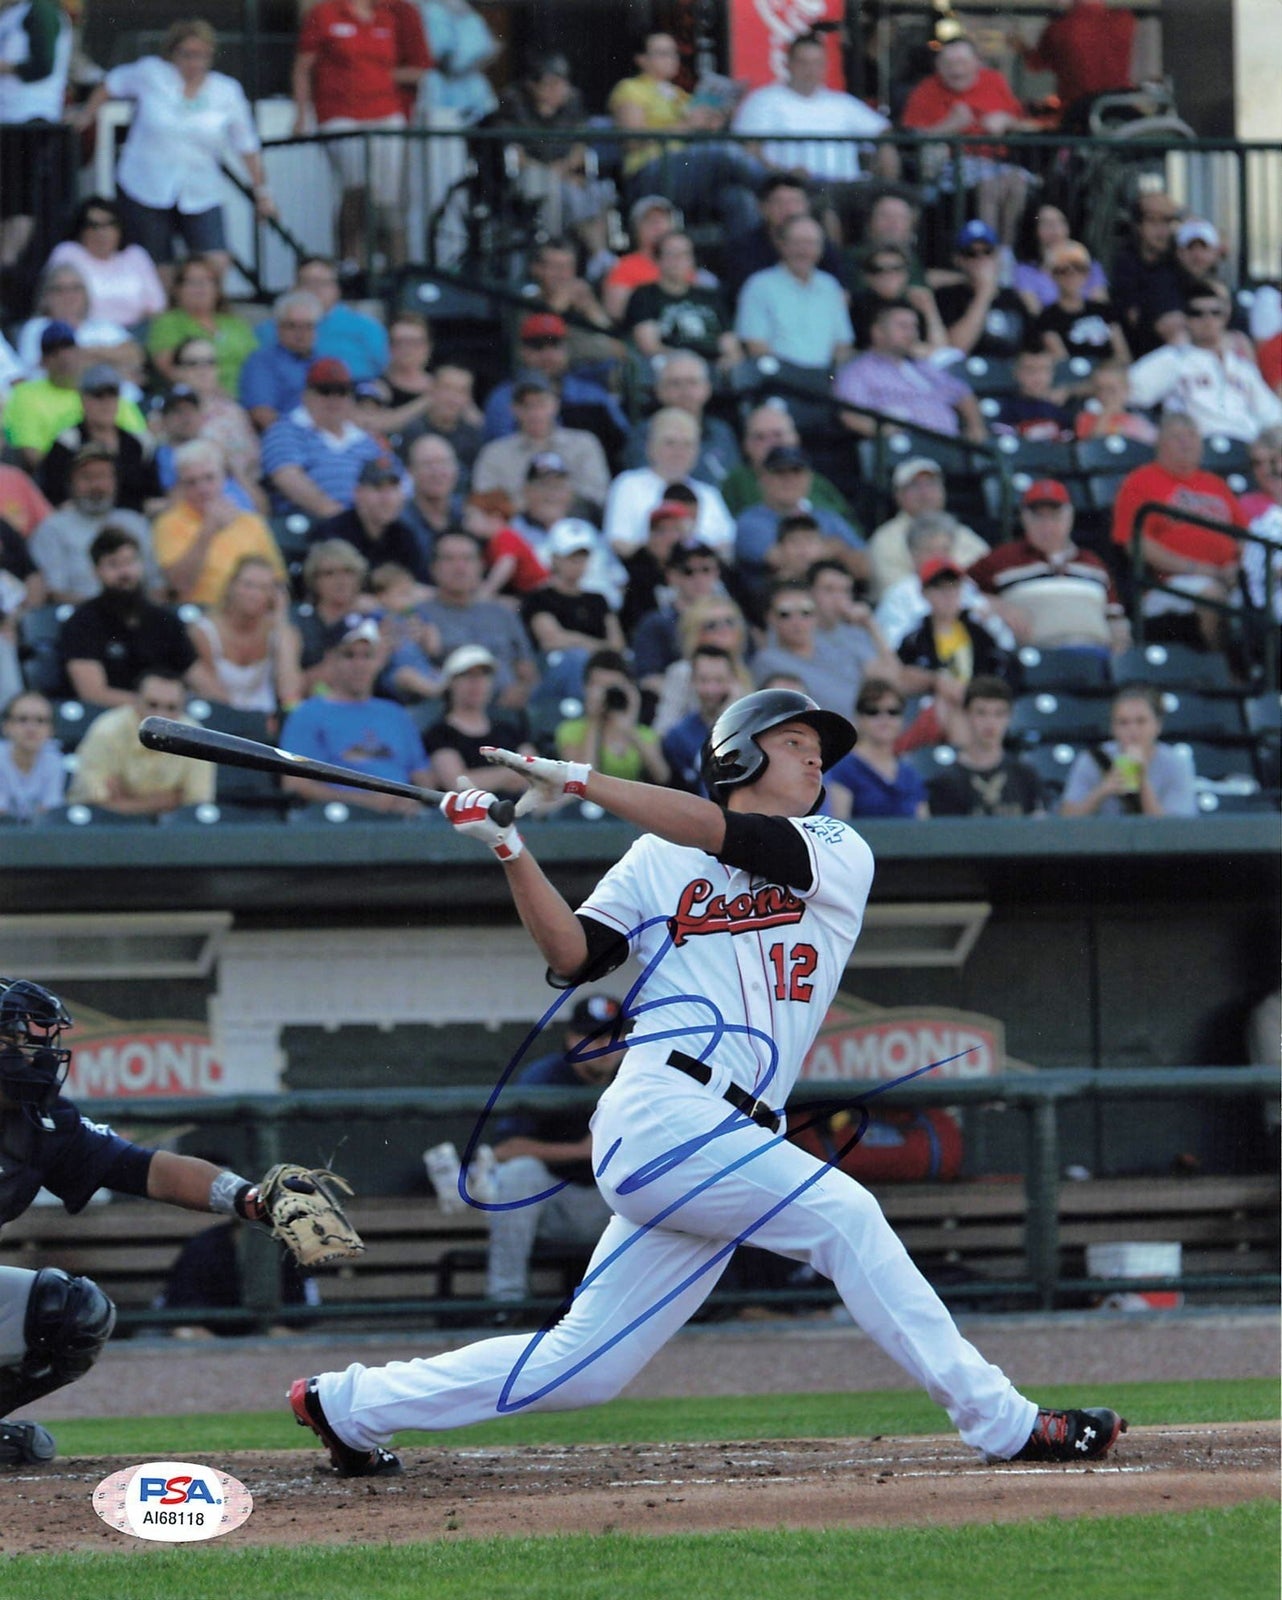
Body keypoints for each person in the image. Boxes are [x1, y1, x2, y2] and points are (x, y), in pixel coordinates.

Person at [284, 683, 1128, 1476]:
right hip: (666, 1110)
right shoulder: (656, 858)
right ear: (738, 756)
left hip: (732, 1134)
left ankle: (351, 1406)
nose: (815, 757)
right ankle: (1004, 1422)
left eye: (818, 747)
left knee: (584, 1366)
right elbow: (574, 955)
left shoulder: (836, 847)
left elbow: (731, 837)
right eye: (792, 742)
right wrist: (509, 848)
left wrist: (579, 780)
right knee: (846, 1216)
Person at [0, 975, 333, 1465]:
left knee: (72, 1312)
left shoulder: (41, 1124)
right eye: (9, 1040)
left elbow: (144, 1168)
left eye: (24, 1039)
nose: (30, 1055)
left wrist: (250, 1199)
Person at [72, 22, 274, 282]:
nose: (194, 62)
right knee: (157, 268)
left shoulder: (227, 90)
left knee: (214, 261)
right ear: (172, 53)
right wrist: (87, 114)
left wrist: (262, 193)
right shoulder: (150, 73)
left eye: (201, 54)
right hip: (145, 185)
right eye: (186, 54)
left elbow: (246, 144)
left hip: (200, 188)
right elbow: (111, 84)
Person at [485, 995, 627, 1310]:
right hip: (556, 1204)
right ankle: (505, 1302)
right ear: (572, 1039)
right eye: (593, 1036)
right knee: (519, 1173)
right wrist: (580, 1150)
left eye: (613, 1036)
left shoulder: (639, 1077)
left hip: (616, 1207)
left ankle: (666, 1305)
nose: (605, 1046)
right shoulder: (545, 1076)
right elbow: (505, 1150)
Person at [291, 0, 431, 274]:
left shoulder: (386, 16)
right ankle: (350, 261)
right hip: (340, 111)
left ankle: (394, 268)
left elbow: (413, 66)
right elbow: (303, 67)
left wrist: (379, 78)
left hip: (385, 110)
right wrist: (301, 115)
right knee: (357, 187)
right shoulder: (325, 13)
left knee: (387, 197)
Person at [731, 31, 897, 244]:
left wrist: (883, 164)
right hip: (797, 185)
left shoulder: (842, 102)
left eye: (817, 63)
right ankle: (833, 259)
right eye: (803, 63)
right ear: (788, 64)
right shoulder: (763, 100)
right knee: (825, 203)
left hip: (849, 185)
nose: (811, 70)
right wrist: (783, 173)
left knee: (897, 201)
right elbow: (749, 149)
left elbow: (882, 131)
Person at [607, 30, 765, 240]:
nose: (672, 59)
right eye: (662, 53)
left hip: (689, 172)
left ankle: (748, 257)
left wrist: (712, 123)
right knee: (727, 153)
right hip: (651, 170)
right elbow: (632, 139)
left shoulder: (680, 95)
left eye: (674, 53)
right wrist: (688, 124)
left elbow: (695, 134)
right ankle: (776, 187)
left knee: (738, 198)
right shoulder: (631, 89)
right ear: (641, 59)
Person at [1110, 413, 1244, 650]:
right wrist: (1197, 568)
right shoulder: (1140, 481)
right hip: (1168, 583)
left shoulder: (1215, 484)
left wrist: (1238, 567)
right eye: (1177, 437)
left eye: (1192, 436)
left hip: (1227, 577)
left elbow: (1243, 537)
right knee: (1212, 595)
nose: (1186, 443)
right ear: (1160, 444)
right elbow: (1135, 543)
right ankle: (1225, 668)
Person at [277, 617, 431, 814]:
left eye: (367, 655)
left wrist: (414, 800)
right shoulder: (308, 713)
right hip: (338, 819)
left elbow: (423, 777)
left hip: (402, 818)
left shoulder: (396, 713)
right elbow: (295, 784)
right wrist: (366, 802)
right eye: (349, 655)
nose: (360, 664)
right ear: (331, 660)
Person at [898, 36, 1033, 246]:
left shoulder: (994, 81)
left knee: (1016, 183)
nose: (956, 69)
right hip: (949, 166)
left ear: (977, 62)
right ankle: (987, 250)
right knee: (991, 186)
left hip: (997, 163)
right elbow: (910, 138)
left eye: (962, 62)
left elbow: (1025, 124)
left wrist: (1007, 121)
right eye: (948, 63)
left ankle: (1005, 251)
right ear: (937, 66)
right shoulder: (925, 89)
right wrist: (949, 125)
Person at [969, 478, 1129, 654]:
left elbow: (1115, 617)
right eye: (1038, 517)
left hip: (1096, 654)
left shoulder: (1093, 563)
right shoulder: (1002, 559)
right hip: (1037, 656)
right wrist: (996, 605)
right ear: (1024, 518)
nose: (1047, 526)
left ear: (1070, 518)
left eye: (1055, 516)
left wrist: (1120, 644)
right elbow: (957, 586)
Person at [495, 54, 618, 271]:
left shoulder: (573, 102)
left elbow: (581, 145)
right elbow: (514, 153)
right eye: (550, 84)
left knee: (597, 191)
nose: (558, 90)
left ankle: (598, 258)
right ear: (533, 86)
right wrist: (551, 173)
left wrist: (564, 168)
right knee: (559, 189)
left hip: (565, 172)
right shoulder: (514, 103)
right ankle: (563, 252)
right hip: (530, 174)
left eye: (562, 83)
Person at [59, 526, 199, 709]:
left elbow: (197, 676)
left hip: (168, 716)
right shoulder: (82, 622)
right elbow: (93, 693)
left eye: (130, 562)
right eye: (113, 565)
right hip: (111, 718)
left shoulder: (165, 620)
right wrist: (154, 707)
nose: (125, 573)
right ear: (96, 571)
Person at [1127, 289, 1282, 444]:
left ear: (1225, 317)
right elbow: (1126, 392)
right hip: (1196, 448)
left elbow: (1273, 416)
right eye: (1197, 313)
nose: (1208, 320)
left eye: (1215, 313)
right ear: (1186, 319)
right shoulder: (1173, 358)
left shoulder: (1242, 368)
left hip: (1245, 447)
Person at [409, 531, 537, 710]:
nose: (460, 568)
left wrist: (521, 691)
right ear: (433, 568)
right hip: (448, 710)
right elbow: (411, 671)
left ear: (481, 566)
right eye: (449, 559)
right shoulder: (418, 615)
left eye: (468, 559)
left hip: (508, 709)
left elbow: (527, 670)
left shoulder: (503, 614)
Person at [152, 438, 286, 607]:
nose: (202, 488)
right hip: (200, 612)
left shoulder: (251, 522)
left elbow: (278, 581)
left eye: (209, 478)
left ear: (223, 478)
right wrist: (208, 531)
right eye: (191, 482)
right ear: (181, 486)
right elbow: (178, 585)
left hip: (252, 612)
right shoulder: (168, 524)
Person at [482, 313, 630, 463]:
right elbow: (502, 451)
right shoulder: (503, 397)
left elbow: (623, 440)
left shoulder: (591, 394)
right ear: (522, 351)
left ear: (566, 349)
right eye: (538, 346)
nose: (547, 355)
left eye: (554, 345)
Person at [896, 556, 1012, 747]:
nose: (948, 596)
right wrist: (936, 681)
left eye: (954, 587)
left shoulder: (980, 633)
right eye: (940, 589)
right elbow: (900, 676)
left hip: (978, 706)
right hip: (934, 709)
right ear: (925, 593)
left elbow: (1003, 665)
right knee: (946, 703)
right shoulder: (915, 639)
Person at [734, 447, 867, 611]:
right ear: (763, 479)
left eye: (796, 472)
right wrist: (836, 548)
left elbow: (863, 567)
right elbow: (784, 560)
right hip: (777, 610)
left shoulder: (828, 517)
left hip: (832, 610)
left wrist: (805, 553)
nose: (789, 479)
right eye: (780, 472)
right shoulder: (750, 521)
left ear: (809, 478)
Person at [835, 300, 987, 442]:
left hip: (951, 447)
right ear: (878, 332)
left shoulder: (923, 366)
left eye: (914, 327)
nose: (911, 333)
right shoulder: (858, 371)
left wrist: (976, 427)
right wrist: (884, 431)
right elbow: (850, 415)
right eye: (903, 326)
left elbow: (962, 393)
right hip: (903, 450)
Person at [4, 321, 148, 470]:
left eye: (69, 348)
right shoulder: (26, 394)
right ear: (43, 361)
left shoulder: (102, 390)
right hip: (58, 476)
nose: (63, 357)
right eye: (53, 352)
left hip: (118, 473)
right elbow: (32, 455)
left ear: (80, 353)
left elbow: (139, 440)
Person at [68, 668, 213, 814]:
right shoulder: (107, 731)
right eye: (152, 705)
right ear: (135, 701)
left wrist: (124, 801)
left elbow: (196, 805)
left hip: (172, 827)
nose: (161, 716)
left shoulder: (195, 738)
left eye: (171, 707)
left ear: (183, 708)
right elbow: (93, 802)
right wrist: (168, 799)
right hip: (107, 825)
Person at [261, 358, 387, 520]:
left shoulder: (365, 440)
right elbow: (287, 478)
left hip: (367, 522)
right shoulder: (285, 430)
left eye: (341, 391)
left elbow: (390, 482)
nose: (334, 399)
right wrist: (342, 519)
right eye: (325, 391)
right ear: (306, 395)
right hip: (312, 523)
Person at [29, 445, 157, 604]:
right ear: (70, 483)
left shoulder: (136, 523)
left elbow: (155, 585)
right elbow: (55, 592)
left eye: (103, 476)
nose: (96, 485)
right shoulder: (52, 529)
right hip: (79, 615)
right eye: (87, 477)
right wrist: (103, 612)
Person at [603, 408, 734, 560]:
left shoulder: (709, 493)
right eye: (670, 443)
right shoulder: (628, 485)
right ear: (650, 446)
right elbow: (618, 542)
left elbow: (727, 545)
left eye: (687, 444)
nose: (679, 451)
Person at [734, 214, 854, 374]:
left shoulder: (830, 286)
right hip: (778, 379)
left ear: (821, 248)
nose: (803, 250)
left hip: (824, 379)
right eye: (796, 243)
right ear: (782, 245)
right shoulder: (759, 285)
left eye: (811, 243)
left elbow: (842, 343)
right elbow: (755, 345)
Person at [473, 382, 610, 520]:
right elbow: (484, 501)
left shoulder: (583, 443)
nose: (535, 413)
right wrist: (534, 505)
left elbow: (597, 493)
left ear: (555, 405)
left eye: (541, 404)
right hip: (516, 526)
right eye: (526, 406)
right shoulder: (495, 452)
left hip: (575, 522)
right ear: (514, 409)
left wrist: (556, 504)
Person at [1059, 681, 1197, 817]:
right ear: (1113, 728)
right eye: (1123, 723)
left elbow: (1175, 827)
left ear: (1158, 725)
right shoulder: (1091, 760)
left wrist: (1143, 782)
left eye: (1141, 721)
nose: (1133, 731)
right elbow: (1066, 819)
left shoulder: (1177, 764)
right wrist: (1103, 789)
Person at [188, 553, 302, 715]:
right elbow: (209, 690)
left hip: (265, 720)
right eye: (248, 585)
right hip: (220, 717)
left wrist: (281, 620)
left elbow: (289, 694)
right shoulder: (204, 632)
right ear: (231, 586)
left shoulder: (283, 633)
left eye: (264, 587)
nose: (255, 594)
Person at [40, 363, 162, 515]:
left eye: (112, 395)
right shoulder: (67, 443)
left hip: (133, 519)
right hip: (81, 520)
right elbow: (53, 497)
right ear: (83, 400)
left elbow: (154, 495)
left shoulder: (140, 443)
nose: (106, 404)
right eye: (98, 396)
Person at [255, 257, 391, 386]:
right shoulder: (271, 329)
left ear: (336, 289)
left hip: (355, 391)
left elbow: (387, 369)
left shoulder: (366, 327)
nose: (315, 289)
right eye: (307, 282)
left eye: (323, 283)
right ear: (294, 288)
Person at [717, 172, 846, 305]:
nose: (789, 210)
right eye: (779, 203)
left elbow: (842, 294)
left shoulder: (822, 245)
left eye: (795, 202)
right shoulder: (742, 249)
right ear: (763, 208)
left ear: (807, 207)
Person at [422, 644, 535, 796]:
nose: (477, 683)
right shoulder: (439, 734)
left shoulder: (509, 730)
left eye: (484, 675)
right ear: (451, 683)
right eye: (467, 675)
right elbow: (457, 784)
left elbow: (535, 772)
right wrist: (510, 774)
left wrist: (488, 778)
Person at [163, 335, 264, 502]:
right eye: (193, 363)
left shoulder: (235, 412)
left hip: (240, 495)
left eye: (210, 362)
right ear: (177, 371)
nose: (203, 370)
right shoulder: (165, 414)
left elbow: (253, 465)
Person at [925, 676, 1044, 817]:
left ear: (1010, 717)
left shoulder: (1025, 776)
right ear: (966, 715)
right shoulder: (944, 783)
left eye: (999, 714)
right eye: (981, 713)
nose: (990, 722)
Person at [1008, 0, 1135, 132]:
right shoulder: (1124, 19)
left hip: (1077, 115)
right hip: (1120, 111)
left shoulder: (1059, 28)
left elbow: (1036, 64)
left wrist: (1021, 47)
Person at [621, 351, 743, 489]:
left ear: (707, 389)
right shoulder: (645, 434)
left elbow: (735, 484)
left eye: (692, 382)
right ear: (659, 391)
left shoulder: (721, 432)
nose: (685, 391)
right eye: (675, 383)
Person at [43, 195, 166, 330]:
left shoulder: (135, 255)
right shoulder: (68, 253)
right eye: (93, 225)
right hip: (83, 331)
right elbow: (51, 300)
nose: (101, 232)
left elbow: (157, 306)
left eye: (109, 224)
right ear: (81, 230)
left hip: (136, 332)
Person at [623, 230, 741, 370]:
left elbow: (730, 344)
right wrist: (692, 364)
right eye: (672, 254)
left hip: (715, 369)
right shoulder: (644, 296)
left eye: (685, 254)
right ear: (658, 260)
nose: (679, 261)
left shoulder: (710, 296)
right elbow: (650, 347)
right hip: (670, 369)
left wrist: (730, 360)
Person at [720, 402, 855, 521]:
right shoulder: (735, 483)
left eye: (777, 435)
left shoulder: (815, 480)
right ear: (746, 446)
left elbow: (849, 526)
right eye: (760, 437)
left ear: (795, 439)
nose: (771, 444)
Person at [145, 255, 258, 394]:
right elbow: (170, 370)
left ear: (217, 288)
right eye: (192, 282)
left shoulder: (236, 324)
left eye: (207, 280)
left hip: (249, 397)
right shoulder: (167, 323)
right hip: (199, 398)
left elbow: (257, 364)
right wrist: (219, 396)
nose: (200, 287)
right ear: (177, 289)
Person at [555, 648, 668, 786]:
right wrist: (594, 721)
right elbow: (582, 780)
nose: (606, 694)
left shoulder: (644, 734)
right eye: (600, 686)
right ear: (586, 688)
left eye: (613, 687)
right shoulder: (570, 731)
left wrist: (630, 724)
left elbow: (661, 776)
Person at [305, 454, 426, 582]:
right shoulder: (331, 532)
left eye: (393, 489)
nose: (387, 499)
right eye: (378, 489)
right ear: (358, 493)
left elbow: (419, 583)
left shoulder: (404, 536)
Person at [651, 590, 754, 737]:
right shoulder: (683, 671)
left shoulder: (743, 669)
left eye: (729, 622)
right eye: (712, 625)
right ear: (694, 631)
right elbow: (664, 728)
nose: (723, 630)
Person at [824, 678, 928, 820]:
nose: (884, 719)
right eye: (872, 711)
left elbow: (924, 826)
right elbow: (839, 825)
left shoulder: (910, 774)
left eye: (893, 712)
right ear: (859, 717)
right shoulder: (843, 768)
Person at [13, 262, 134, 381]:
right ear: (46, 297)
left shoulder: (103, 326)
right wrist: (113, 365)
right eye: (59, 290)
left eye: (76, 288)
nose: (68, 296)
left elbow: (134, 355)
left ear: (86, 295)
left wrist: (81, 354)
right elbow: (52, 370)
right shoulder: (36, 328)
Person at [935, 220, 1034, 360]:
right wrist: (984, 292)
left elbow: (1033, 350)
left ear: (997, 256)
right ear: (958, 260)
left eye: (987, 251)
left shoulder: (1013, 298)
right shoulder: (947, 297)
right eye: (971, 253)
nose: (981, 258)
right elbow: (954, 351)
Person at [1110, 193, 1186, 360]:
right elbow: (1131, 316)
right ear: (1139, 225)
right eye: (1153, 221)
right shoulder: (1125, 265)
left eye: (1167, 222)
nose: (1162, 230)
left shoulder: (1179, 261)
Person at [238, 291, 323, 433]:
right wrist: (304, 438)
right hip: (286, 438)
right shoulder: (262, 362)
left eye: (308, 326)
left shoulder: (325, 362)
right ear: (278, 328)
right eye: (292, 326)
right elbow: (262, 414)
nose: (300, 333)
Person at [660, 643, 740, 793]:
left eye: (719, 680)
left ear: (732, 681)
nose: (711, 690)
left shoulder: (747, 730)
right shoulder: (679, 736)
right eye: (703, 680)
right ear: (692, 681)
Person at [1032, 242, 1130, 365]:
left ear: (1087, 273)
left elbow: (1123, 356)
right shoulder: (1046, 319)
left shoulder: (1104, 310)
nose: (1072, 275)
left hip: (1113, 373)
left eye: (1079, 268)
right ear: (1053, 276)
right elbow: (1064, 364)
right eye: (1063, 270)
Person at [295, 539, 372, 692]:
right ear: (314, 580)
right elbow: (293, 686)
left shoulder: (372, 617)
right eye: (329, 573)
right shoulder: (299, 623)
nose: (340, 581)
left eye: (348, 572)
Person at [848, 244, 949, 356]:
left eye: (896, 268)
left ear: (906, 274)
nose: (888, 275)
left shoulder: (913, 303)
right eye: (878, 269)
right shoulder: (857, 305)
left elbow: (942, 350)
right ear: (867, 276)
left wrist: (929, 309)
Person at [1013, 204, 1110, 312]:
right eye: (1046, 224)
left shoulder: (1089, 264)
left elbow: (1101, 308)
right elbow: (1036, 312)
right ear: (1033, 229)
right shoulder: (1025, 271)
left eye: (1061, 222)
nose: (1055, 229)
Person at [399, 432, 465, 571]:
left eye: (444, 463)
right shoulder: (398, 522)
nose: (437, 472)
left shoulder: (469, 513)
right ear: (411, 472)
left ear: (456, 470)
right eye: (427, 465)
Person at [0, 689, 64, 820]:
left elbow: (50, 812)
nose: (31, 728)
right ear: (6, 726)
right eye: (22, 720)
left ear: (51, 730)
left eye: (40, 721)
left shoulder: (54, 760)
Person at [989, 346, 1073, 442]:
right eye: (1030, 369)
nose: (1037, 376)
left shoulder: (1063, 408)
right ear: (1015, 372)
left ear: (1052, 373)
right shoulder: (1005, 407)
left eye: (1044, 369)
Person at [1073, 356, 1158, 445]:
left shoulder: (1140, 421)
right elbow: (1093, 447)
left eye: (1111, 390)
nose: (1104, 395)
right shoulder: (1086, 418)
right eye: (1099, 389)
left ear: (1126, 389)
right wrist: (1106, 414)